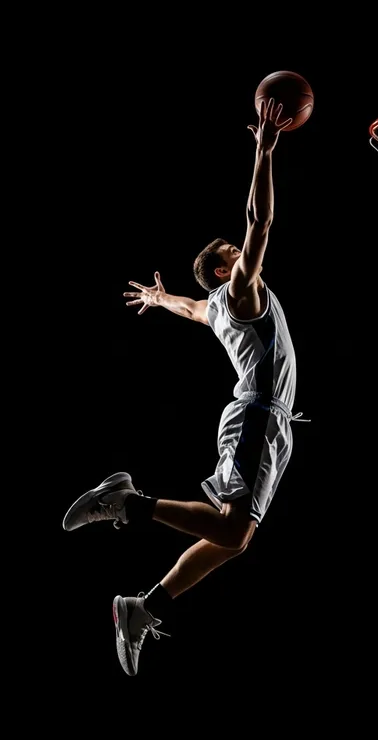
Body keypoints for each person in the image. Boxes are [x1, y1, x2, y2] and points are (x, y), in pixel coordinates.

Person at [62, 98, 307, 676]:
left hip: (262, 419)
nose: (241, 250)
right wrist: (264, 151)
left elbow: (189, 307)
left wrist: (158, 298)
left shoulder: (215, 305)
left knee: (231, 539)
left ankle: (142, 607)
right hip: (257, 415)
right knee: (232, 532)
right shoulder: (244, 291)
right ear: (228, 270)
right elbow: (259, 219)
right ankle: (126, 503)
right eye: (232, 252)